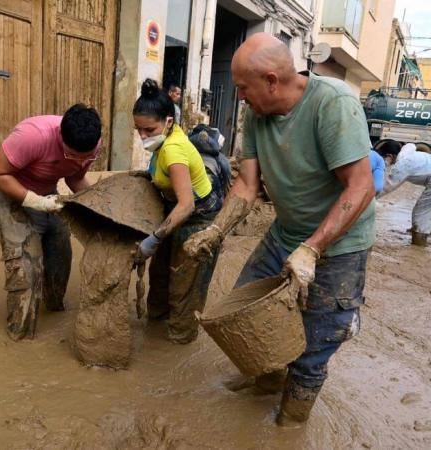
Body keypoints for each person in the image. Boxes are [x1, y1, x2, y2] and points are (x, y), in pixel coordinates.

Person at [184, 33, 375, 425]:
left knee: (315, 344)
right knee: (245, 308)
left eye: (242, 88)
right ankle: (268, 380)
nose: (239, 97)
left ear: (271, 80)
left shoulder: (333, 104)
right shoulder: (256, 113)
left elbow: (361, 187)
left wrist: (312, 249)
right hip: (285, 232)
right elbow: (247, 185)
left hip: (339, 244)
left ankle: (290, 423)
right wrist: (215, 231)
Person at [0, 104, 102, 341]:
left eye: (86, 157)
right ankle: (21, 335)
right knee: (26, 265)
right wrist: (33, 201)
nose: (81, 161)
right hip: (6, 191)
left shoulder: (91, 142)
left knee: (61, 250)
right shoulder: (33, 136)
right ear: (60, 137)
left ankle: (54, 306)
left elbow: (75, 177)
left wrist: (97, 206)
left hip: (46, 193)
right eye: (72, 156)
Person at [133, 78, 223, 344]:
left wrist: (153, 239)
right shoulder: (165, 141)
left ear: (168, 122)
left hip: (198, 218)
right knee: (159, 276)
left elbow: (187, 205)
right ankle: (156, 329)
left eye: (149, 130)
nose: (143, 137)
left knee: (184, 287)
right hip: (175, 211)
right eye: (139, 130)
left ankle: (179, 338)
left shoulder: (173, 149)